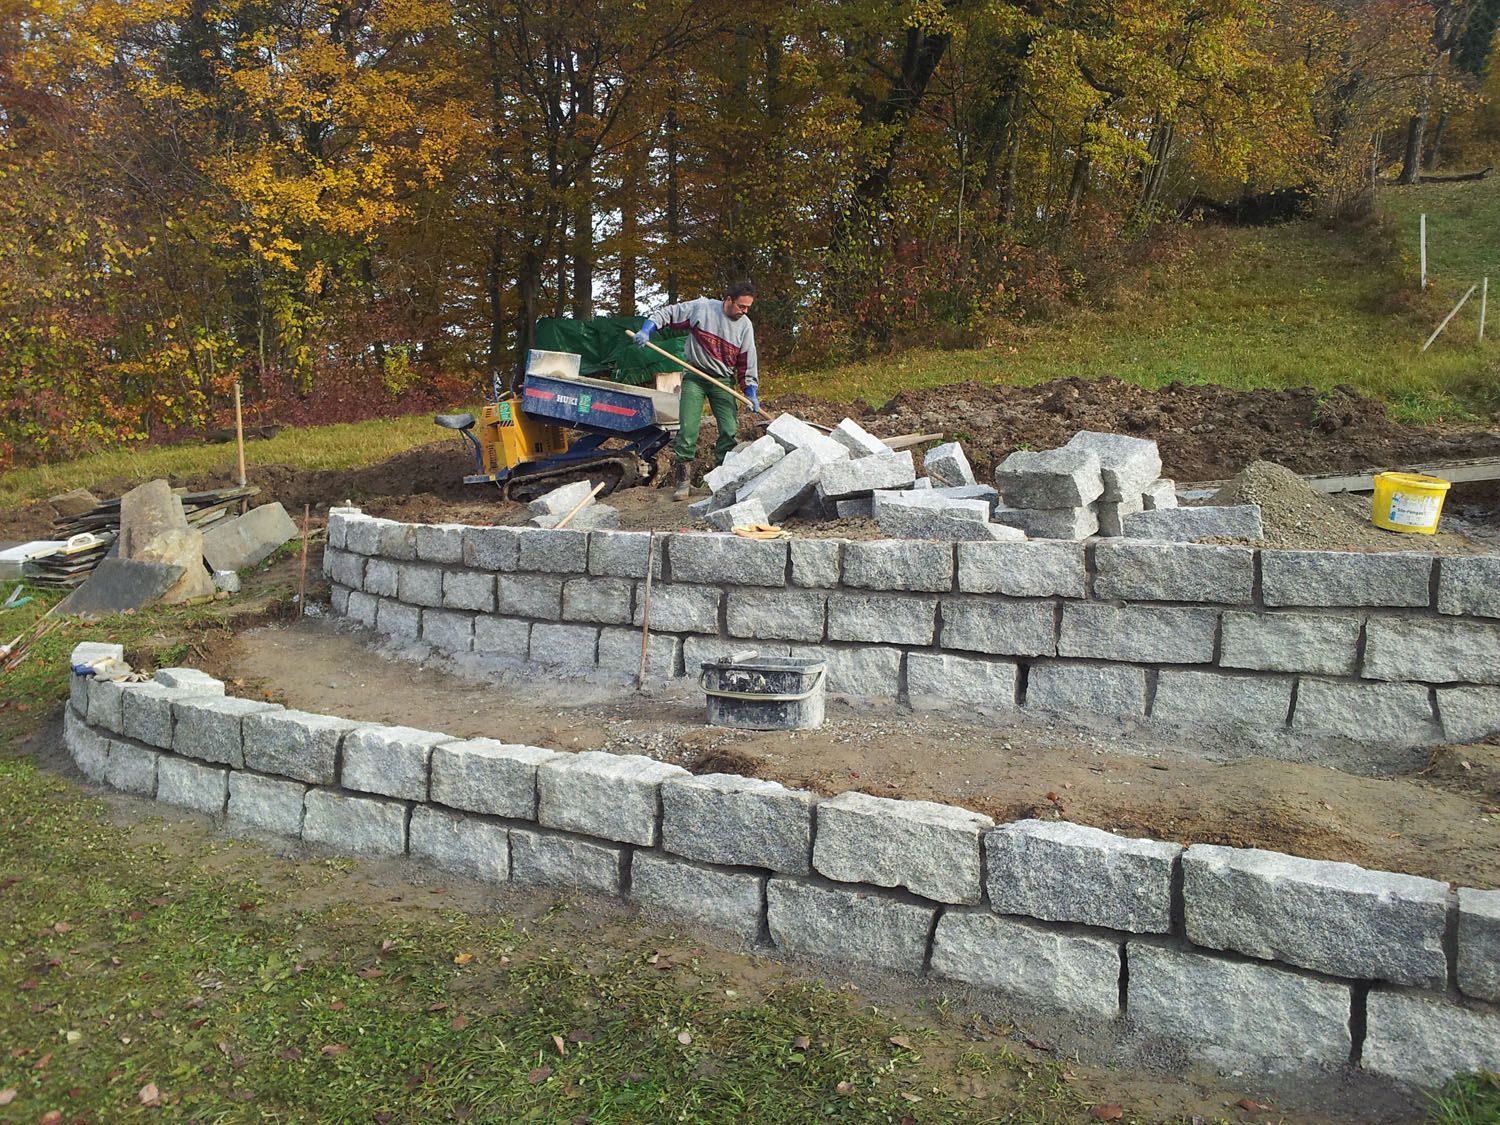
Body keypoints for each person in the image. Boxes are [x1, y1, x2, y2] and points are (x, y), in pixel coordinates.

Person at [633, 281, 760, 500]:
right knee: (688, 429)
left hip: (723, 380)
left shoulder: (745, 326)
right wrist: (647, 329)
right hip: (696, 376)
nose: (745, 311)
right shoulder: (702, 309)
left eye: (748, 307)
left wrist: (751, 392)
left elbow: (746, 361)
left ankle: (722, 482)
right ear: (728, 300)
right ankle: (683, 483)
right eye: (741, 306)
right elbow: (668, 314)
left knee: (729, 430)